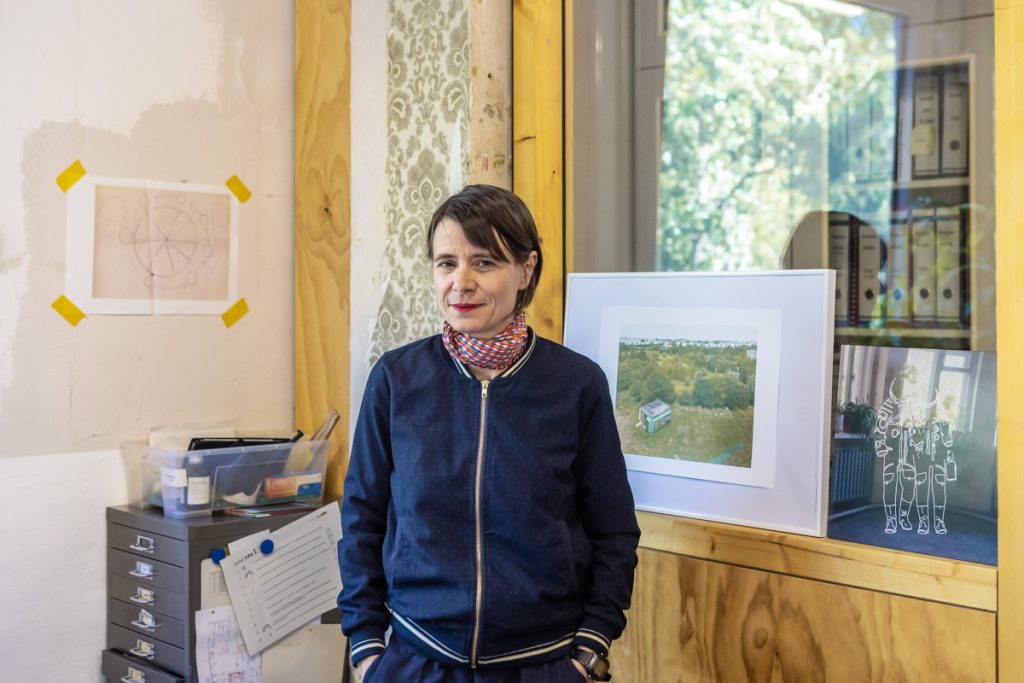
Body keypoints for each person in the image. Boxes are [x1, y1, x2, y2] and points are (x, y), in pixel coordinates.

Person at [338, 184, 640, 682]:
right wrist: (368, 648)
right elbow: (362, 520)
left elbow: (614, 531)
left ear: (526, 269)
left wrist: (589, 650)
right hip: (416, 660)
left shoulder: (577, 384)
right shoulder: (396, 379)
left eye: (483, 263)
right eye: (445, 263)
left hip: (542, 664)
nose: (460, 283)